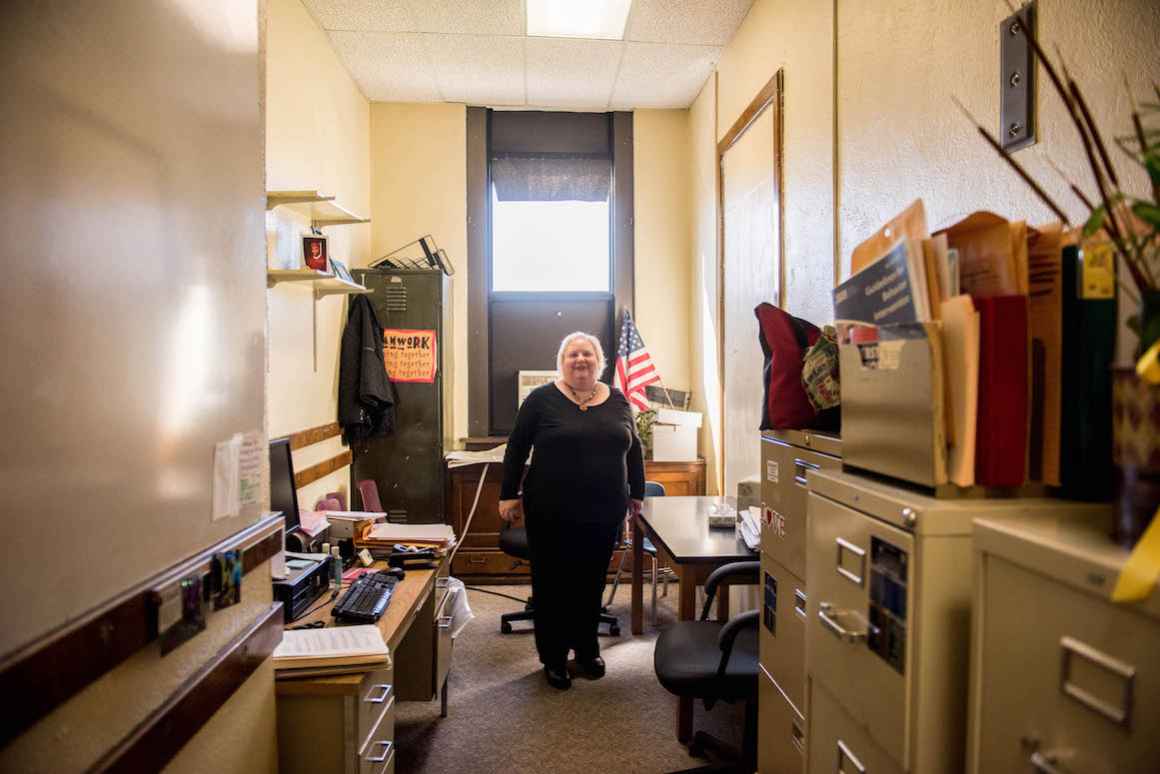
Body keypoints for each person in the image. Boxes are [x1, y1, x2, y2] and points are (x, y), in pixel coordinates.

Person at [499, 331, 645, 690]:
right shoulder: (541, 400)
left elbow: (634, 450)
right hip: (551, 509)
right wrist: (507, 494)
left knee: (589, 581)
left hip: (604, 509)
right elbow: (516, 449)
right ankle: (553, 657)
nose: (581, 360)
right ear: (561, 363)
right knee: (553, 584)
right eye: (573, 355)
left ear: (600, 362)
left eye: (588, 354)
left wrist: (636, 494)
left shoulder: (618, 399)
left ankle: (586, 649)